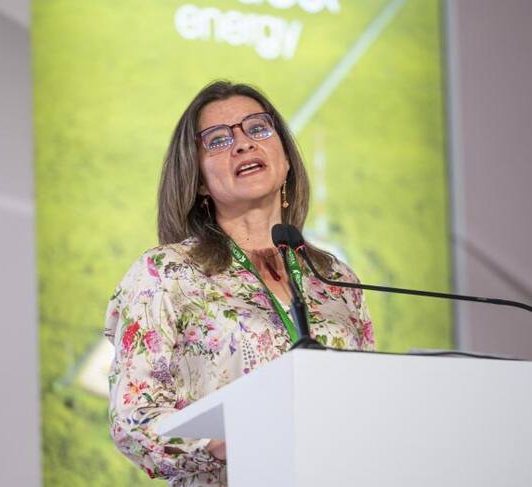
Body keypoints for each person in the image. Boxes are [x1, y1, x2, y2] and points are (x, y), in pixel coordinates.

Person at [105, 80, 375, 486]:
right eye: (218, 139)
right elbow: (134, 419)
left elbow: (369, 399)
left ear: (286, 158)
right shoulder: (165, 273)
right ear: (198, 179)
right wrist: (221, 445)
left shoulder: (335, 277)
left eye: (258, 128)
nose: (243, 144)